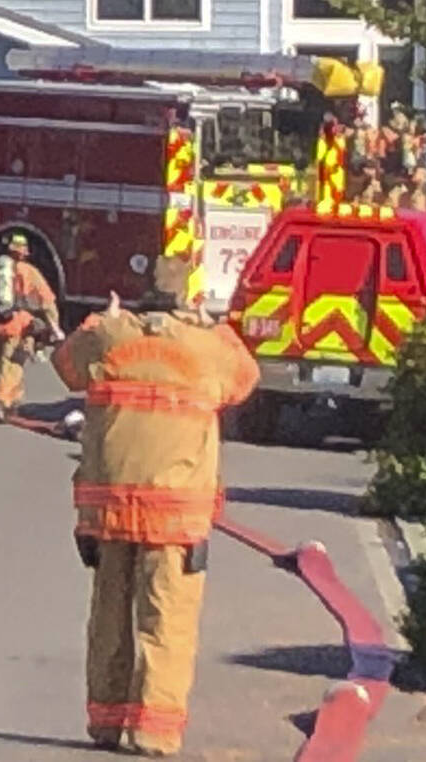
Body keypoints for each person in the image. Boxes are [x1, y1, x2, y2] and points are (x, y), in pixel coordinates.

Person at [52, 290, 259, 756]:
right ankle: (154, 733)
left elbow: (64, 362)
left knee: (109, 614)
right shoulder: (206, 348)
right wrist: (215, 327)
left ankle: (105, 722)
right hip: (176, 516)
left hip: (111, 508)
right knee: (166, 621)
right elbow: (246, 378)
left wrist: (100, 320)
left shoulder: (110, 336)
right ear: (188, 304)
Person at [0, 232, 58, 421]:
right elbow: (48, 302)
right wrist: (54, 326)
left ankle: (13, 401)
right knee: (14, 364)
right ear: (24, 253)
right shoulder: (31, 273)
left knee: (5, 364)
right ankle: (1, 399)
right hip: (19, 326)